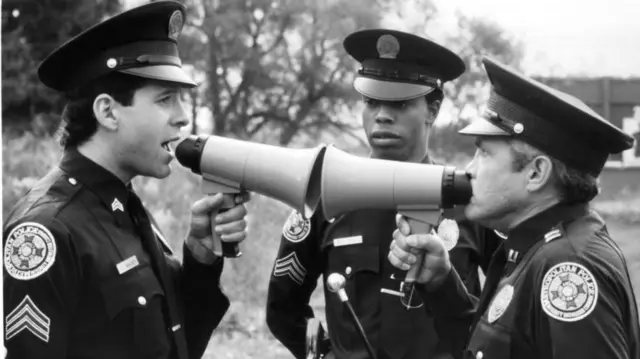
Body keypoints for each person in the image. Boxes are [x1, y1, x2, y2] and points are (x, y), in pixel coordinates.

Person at [3, 2, 250, 358]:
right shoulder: (47, 230)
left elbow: (178, 345)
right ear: (107, 111)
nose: (182, 118)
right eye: (166, 99)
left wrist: (199, 256)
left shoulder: (124, 206)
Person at [266, 29, 502, 359]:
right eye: (371, 101)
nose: (382, 115)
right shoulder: (326, 196)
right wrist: (325, 354)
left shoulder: (471, 200)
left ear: (433, 110)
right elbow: (282, 307)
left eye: (400, 103)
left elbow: (507, 311)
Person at [388, 56, 640, 359]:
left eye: (484, 153)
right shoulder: (536, 248)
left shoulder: (566, 268)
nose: (470, 169)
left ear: (536, 174)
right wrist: (442, 283)